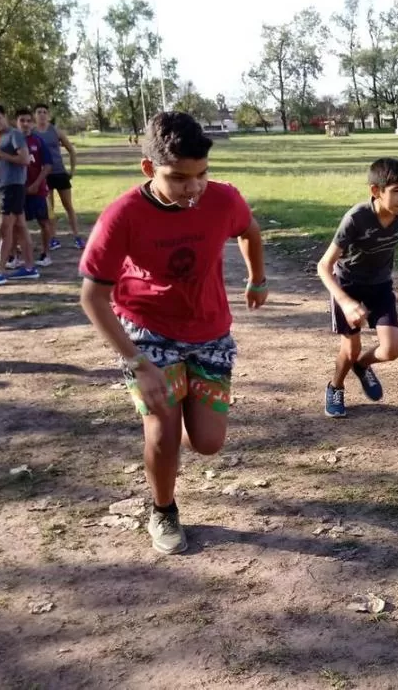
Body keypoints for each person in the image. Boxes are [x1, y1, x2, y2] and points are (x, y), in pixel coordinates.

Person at [79, 112, 268, 555]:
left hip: (209, 332)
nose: (194, 187)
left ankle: (181, 406)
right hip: (148, 332)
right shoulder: (122, 216)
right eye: (179, 178)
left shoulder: (222, 200)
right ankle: (163, 509)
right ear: (149, 169)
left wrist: (257, 278)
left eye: (202, 174)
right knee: (163, 433)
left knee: (207, 442)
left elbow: (250, 231)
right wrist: (136, 363)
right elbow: (93, 297)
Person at [317, 157, 398, 418]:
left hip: (381, 287)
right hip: (348, 286)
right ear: (375, 191)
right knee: (350, 350)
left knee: (392, 350)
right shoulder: (356, 218)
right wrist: (346, 302)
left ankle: (362, 366)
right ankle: (335, 387)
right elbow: (324, 266)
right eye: (396, 191)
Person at [0, 104, 39, 286]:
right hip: (5, 186)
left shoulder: (14, 134)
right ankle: (29, 268)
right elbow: (3, 165)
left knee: (5, 229)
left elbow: (25, 159)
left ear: (5, 117)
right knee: (20, 226)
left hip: (13, 187)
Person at [33, 103, 84, 249]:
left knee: (68, 206)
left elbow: (71, 151)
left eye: (44, 112)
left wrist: (72, 171)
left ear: (48, 115)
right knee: (50, 208)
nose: (42, 114)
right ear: (35, 116)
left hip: (60, 173)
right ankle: (53, 238)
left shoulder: (56, 132)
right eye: (39, 112)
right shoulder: (33, 133)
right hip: (44, 175)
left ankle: (77, 236)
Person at [16, 108, 55, 266]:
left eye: (28, 121)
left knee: (44, 222)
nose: (25, 124)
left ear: (32, 123)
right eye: (22, 121)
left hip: (37, 190)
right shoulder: (11, 141)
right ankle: (17, 254)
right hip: (18, 190)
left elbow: (47, 165)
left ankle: (45, 254)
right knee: (15, 224)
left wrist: (36, 184)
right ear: (16, 122)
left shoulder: (38, 141)